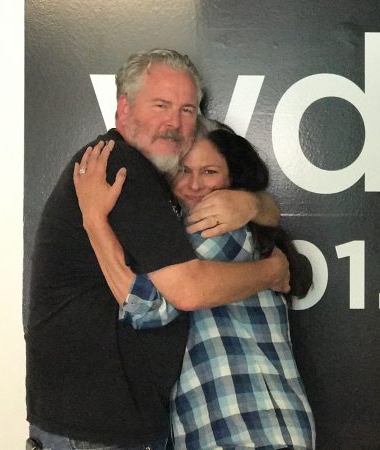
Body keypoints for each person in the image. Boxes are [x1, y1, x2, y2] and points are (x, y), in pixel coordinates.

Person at [26, 49, 290, 449]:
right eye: (161, 105)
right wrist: (271, 273)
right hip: (95, 427)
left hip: (111, 422)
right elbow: (185, 291)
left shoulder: (151, 180)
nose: (174, 123)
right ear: (123, 109)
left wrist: (256, 204)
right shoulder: (120, 168)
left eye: (187, 110)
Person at [73, 118, 315, 449]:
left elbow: (149, 307)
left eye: (209, 172)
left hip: (243, 425)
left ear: (233, 179)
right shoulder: (211, 230)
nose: (195, 184)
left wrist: (93, 219)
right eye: (183, 171)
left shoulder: (217, 228)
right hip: (251, 425)